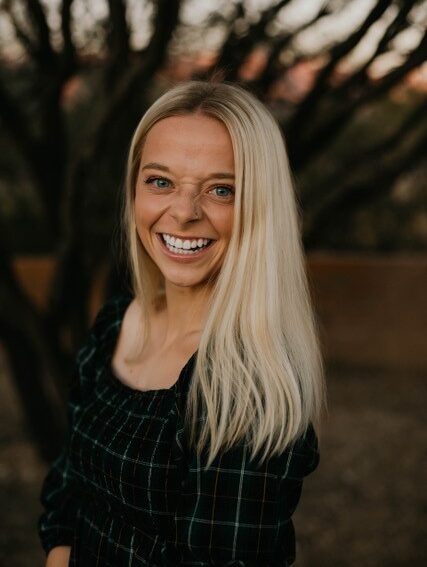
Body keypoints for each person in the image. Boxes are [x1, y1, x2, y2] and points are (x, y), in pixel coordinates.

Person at [38, 80, 326, 566]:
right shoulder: (114, 324)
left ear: (259, 207)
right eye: (160, 181)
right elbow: (67, 496)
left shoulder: (244, 388)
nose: (184, 213)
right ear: (133, 191)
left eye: (221, 190)